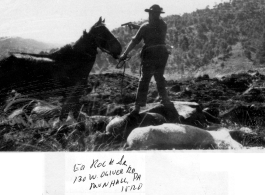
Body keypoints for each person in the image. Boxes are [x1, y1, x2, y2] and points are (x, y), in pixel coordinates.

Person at [120, 4, 173, 114]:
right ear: (159, 14)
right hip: (162, 54)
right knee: (159, 77)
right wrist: (137, 26)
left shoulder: (145, 27)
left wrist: (125, 54)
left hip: (150, 54)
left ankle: (138, 106)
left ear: (150, 13)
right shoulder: (163, 25)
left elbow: (135, 41)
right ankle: (165, 99)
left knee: (144, 79)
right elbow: (151, 28)